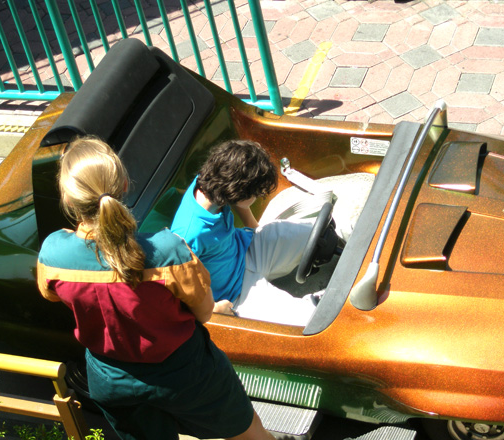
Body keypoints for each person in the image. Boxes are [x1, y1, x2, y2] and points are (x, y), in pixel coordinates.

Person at [36, 137, 273, 440]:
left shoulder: (52, 254)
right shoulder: (169, 252)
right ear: (124, 185)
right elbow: (203, 312)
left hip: (110, 380)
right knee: (249, 433)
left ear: (69, 200)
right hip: (184, 373)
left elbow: (51, 294)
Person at [171, 139, 320, 327]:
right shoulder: (188, 235)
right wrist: (214, 309)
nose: (257, 197)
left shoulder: (211, 180)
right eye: (255, 194)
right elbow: (179, 288)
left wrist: (258, 230)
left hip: (247, 247)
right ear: (238, 191)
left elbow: (238, 202)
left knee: (318, 233)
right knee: (309, 320)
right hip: (236, 294)